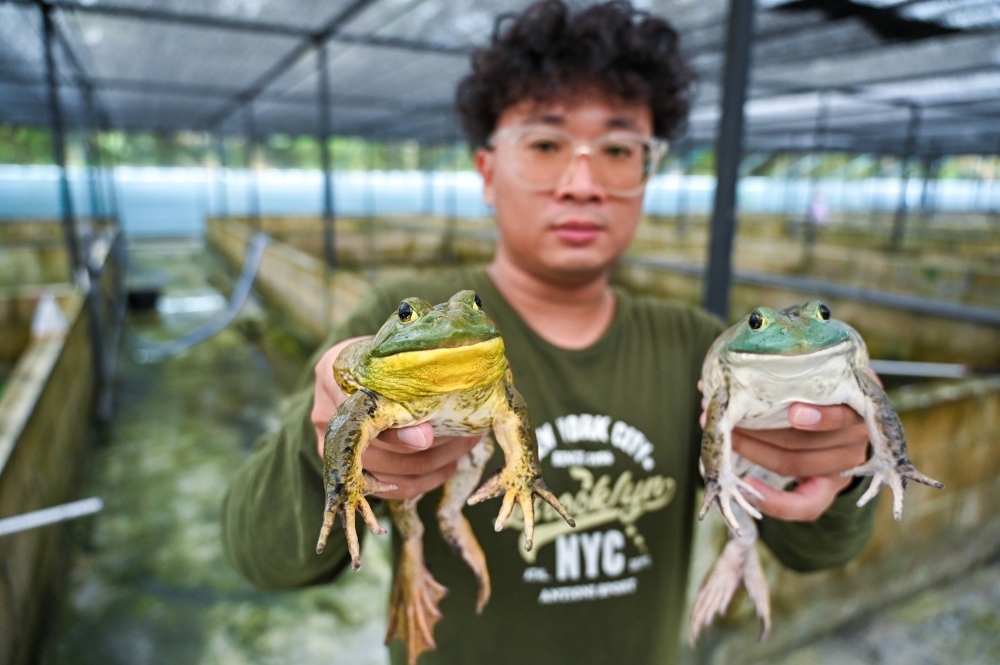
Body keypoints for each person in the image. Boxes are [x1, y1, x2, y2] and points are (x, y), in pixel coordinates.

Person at [222, 2, 875, 663]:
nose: (581, 183)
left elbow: (817, 551)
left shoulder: (702, 348)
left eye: (618, 149)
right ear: (486, 171)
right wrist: (323, 443)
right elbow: (262, 558)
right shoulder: (388, 317)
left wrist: (840, 458)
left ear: (647, 173)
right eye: (543, 144)